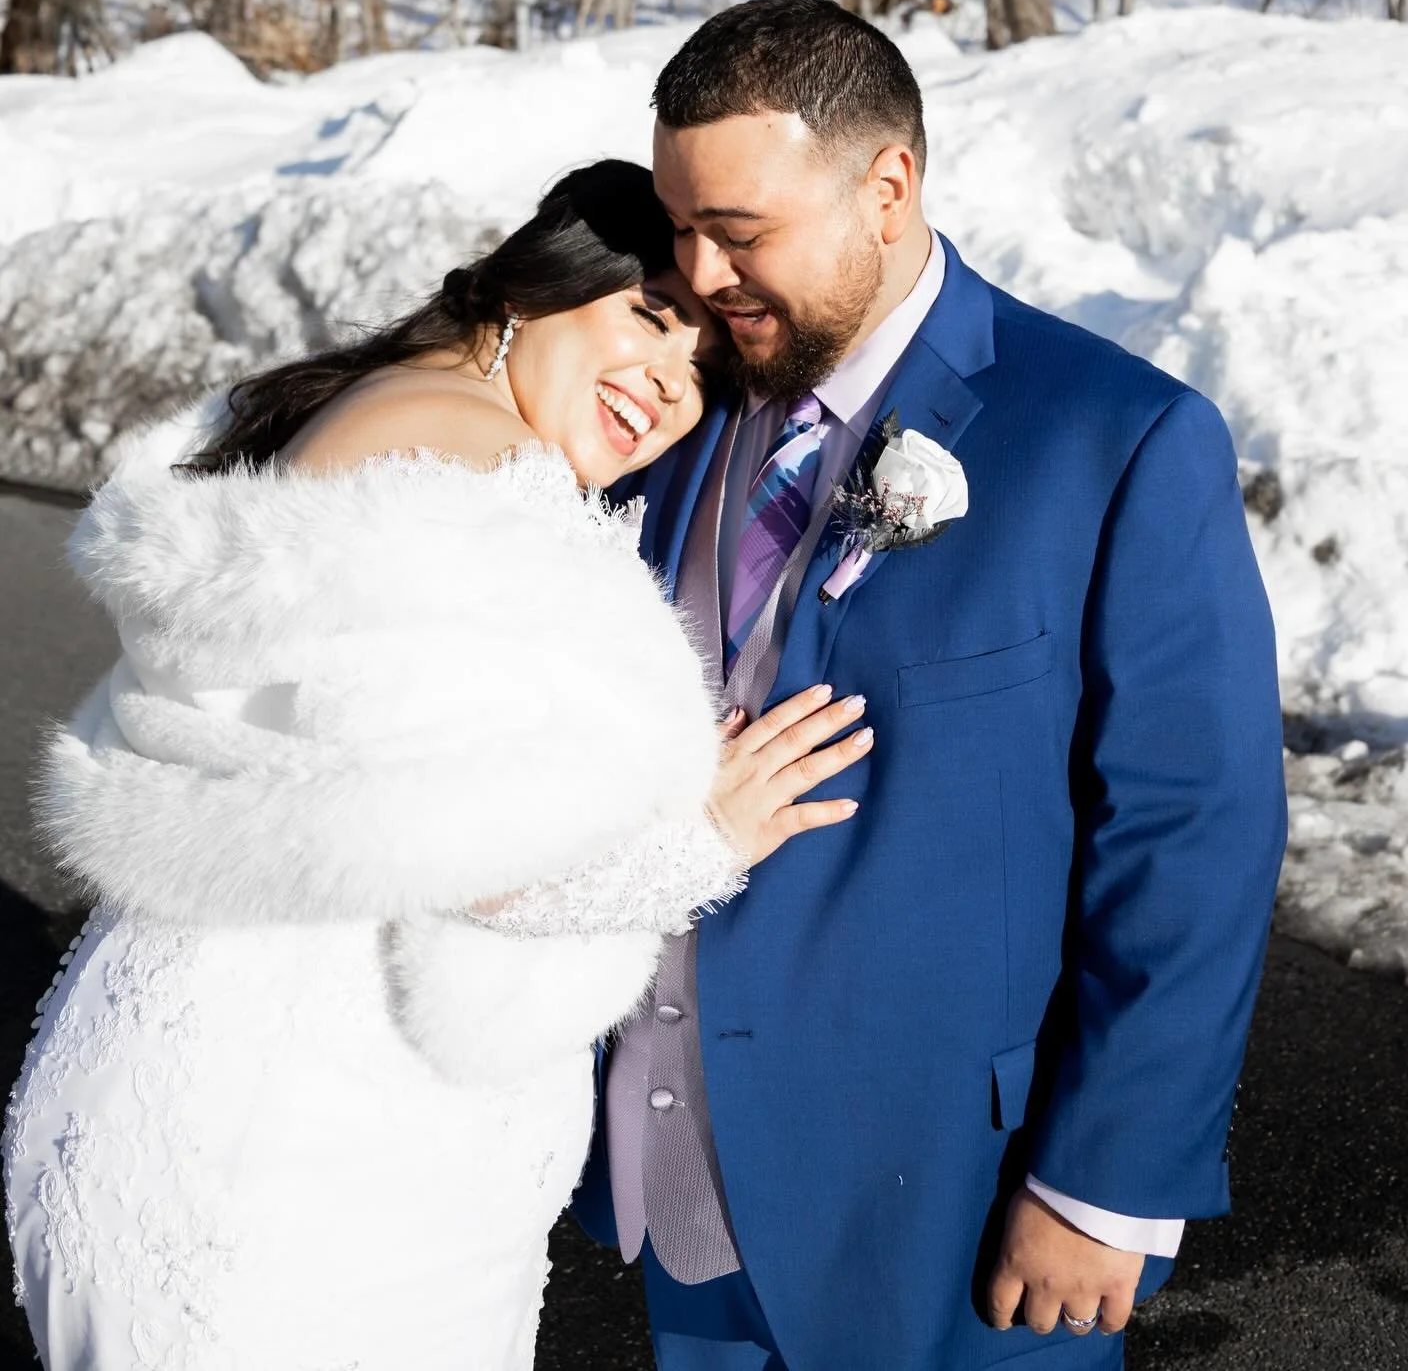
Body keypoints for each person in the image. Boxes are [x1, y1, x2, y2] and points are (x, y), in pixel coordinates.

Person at [2, 159, 871, 1371]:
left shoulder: (360, 411)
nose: (665, 390)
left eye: (698, 378)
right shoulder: (485, 486)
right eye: (650, 319)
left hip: (202, 1086)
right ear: (536, 283)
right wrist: (708, 834)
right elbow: (462, 850)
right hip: (304, 1148)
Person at [571, 0, 1289, 1370]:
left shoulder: (1113, 438)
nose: (699, 269)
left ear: (887, 185)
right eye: (679, 224)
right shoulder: (672, 411)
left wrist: (1106, 1182)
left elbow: (1192, 833)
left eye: (740, 228)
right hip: (681, 1192)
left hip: (963, 1212)